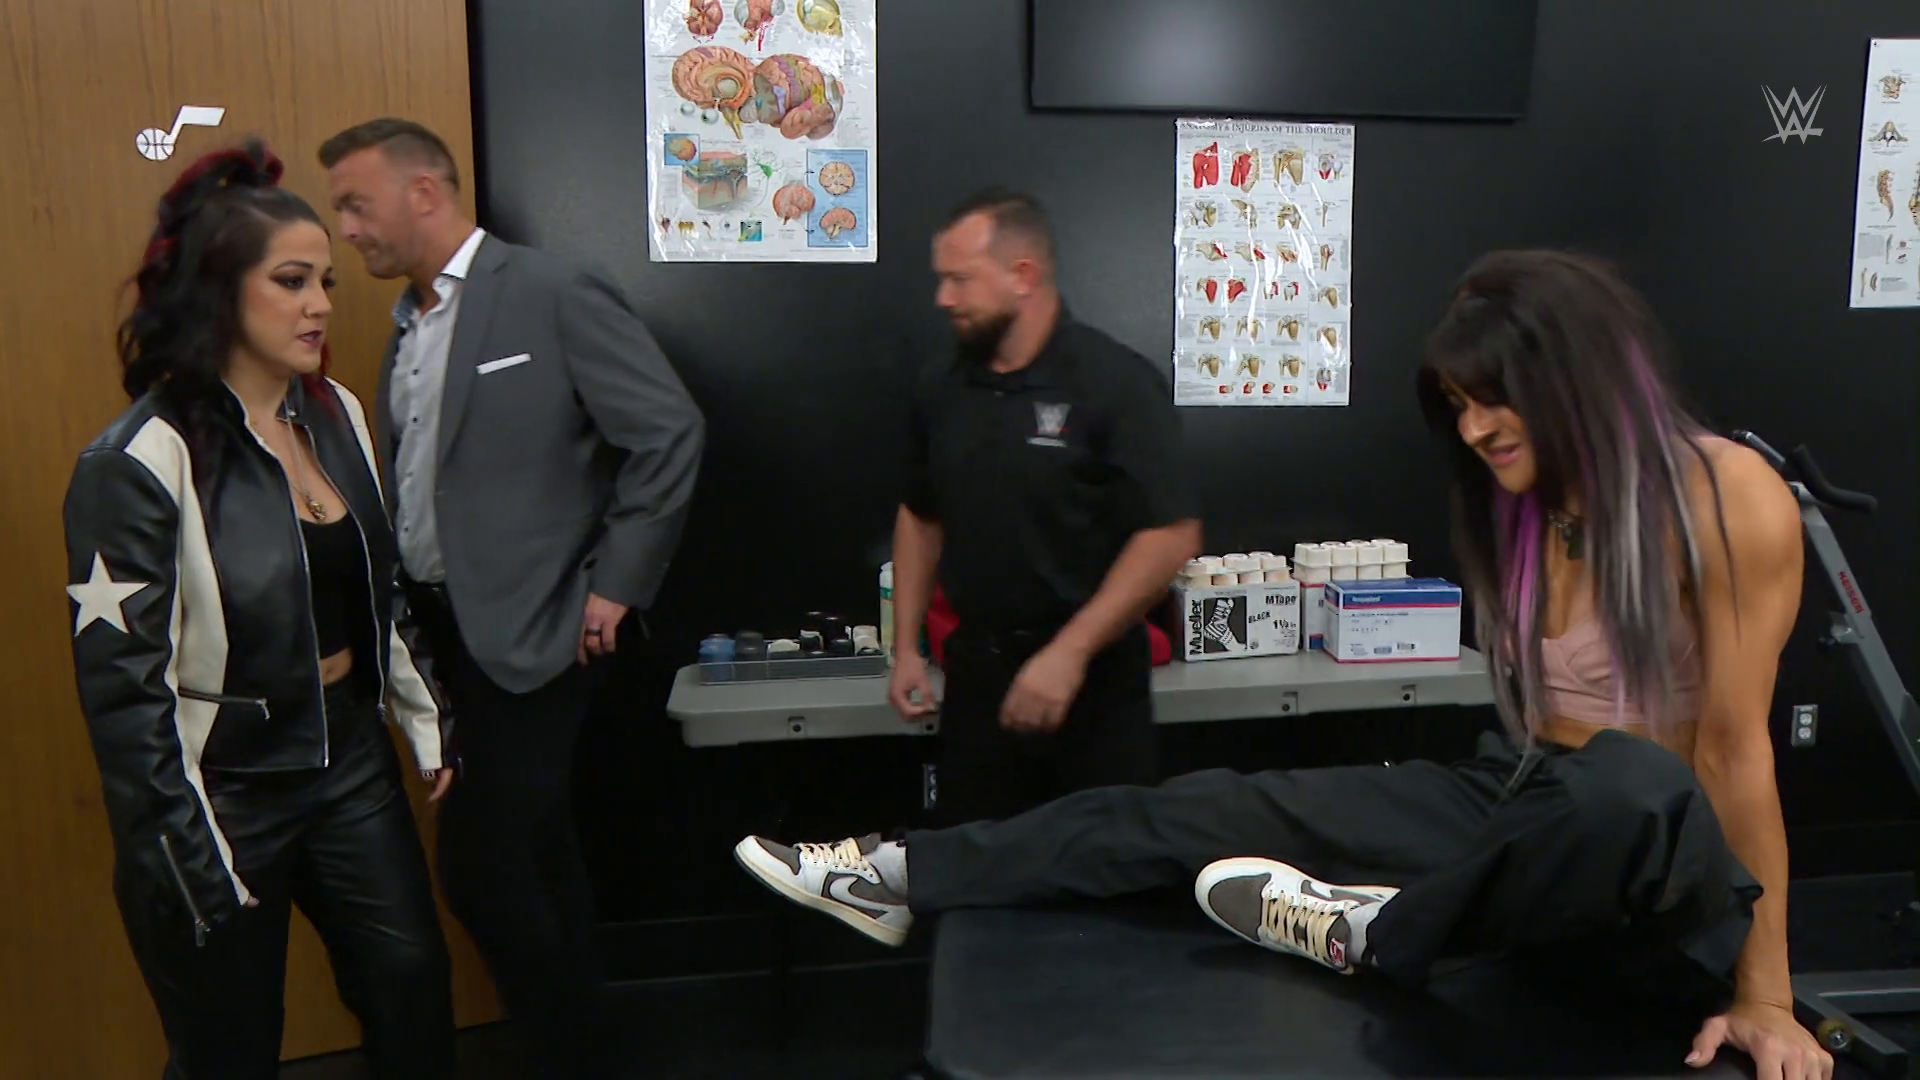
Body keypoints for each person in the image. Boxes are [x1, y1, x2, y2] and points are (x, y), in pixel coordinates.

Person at [737, 250, 1834, 1080]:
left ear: (1571, 378)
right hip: (1518, 798)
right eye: (1456, 406)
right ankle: (898, 874)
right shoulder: (1530, 508)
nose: (1472, 430)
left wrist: (1769, 1000)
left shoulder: (1724, 495)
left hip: (1654, 856)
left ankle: (1379, 926)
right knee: (1208, 805)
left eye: (1489, 398)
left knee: (1628, 782)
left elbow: (1737, 757)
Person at [319, 118, 705, 1078]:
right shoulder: (407, 326)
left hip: (544, 630)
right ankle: (590, 1052)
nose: (347, 230)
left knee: (482, 869)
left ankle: (569, 1055)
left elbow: (667, 431)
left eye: (356, 205)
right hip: (445, 639)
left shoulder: (551, 292)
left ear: (424, 191)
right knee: (539, 855)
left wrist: (617, 585)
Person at [62, 140, 456, 1080]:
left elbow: (377, 585)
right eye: (291, 281)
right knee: (229, 1044)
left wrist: (424, 717)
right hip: (223, 786)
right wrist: (182, 847)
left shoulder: (337, 413)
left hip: (349, 760)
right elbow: (125, 697)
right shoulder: (140, 459)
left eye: (324, 280)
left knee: (412, 991)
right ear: (217, 290)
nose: (321, 303)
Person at [890, 187, 1201, 825]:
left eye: (960, 280)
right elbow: (920, 516)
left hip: (1093, 683)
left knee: (1102, 859)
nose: (943, 298)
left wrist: (1069, 654)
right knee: (979, 858)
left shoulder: (1114, 382)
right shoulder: (942, 386)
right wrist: (906, 649)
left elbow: (1172, 534)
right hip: (978, 679)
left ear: (1022, 275)